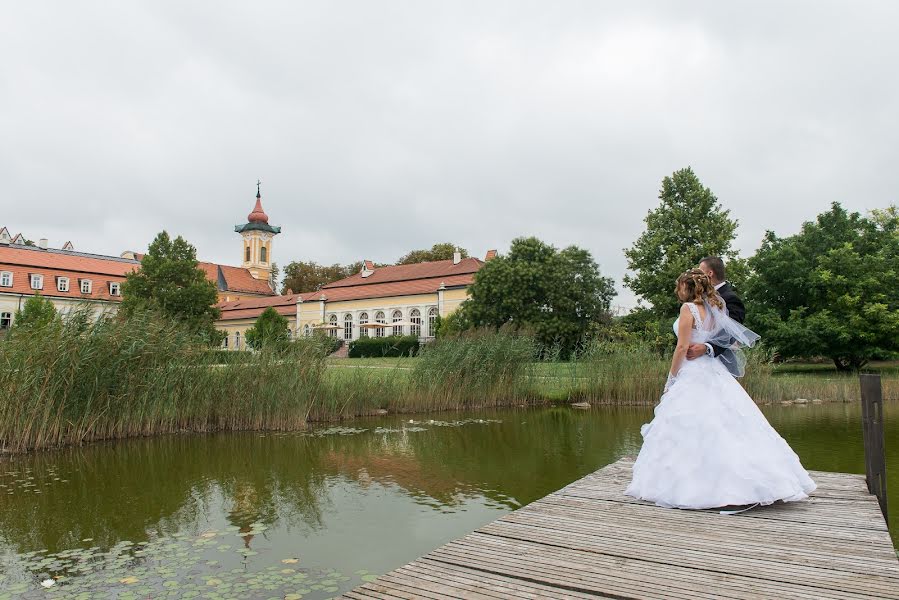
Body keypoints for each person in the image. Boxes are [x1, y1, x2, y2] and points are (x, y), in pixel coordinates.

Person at [624, 268, 816, 510]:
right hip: (713, 370)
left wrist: (670, 379)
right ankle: (755, 481)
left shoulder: (688, 309)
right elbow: (722, 339)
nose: (677, 291)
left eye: (679, 286)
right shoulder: (715, 309)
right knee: (728, 423)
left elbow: (682, 347)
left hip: (692, 371)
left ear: (688, 287)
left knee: (693, 426)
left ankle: (693, 486)